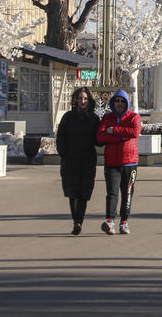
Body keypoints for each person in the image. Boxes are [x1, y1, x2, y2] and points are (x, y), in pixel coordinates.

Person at [55, 87, 101, 235]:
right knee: (72, 192)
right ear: (75, 100)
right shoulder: (68, 117)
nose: (82, 101)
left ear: (89, 101)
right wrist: (64, 154)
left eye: (85, 98)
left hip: (87, 161)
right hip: (70, 161)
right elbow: (60, 137)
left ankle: (78, 222)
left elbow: (98, 141)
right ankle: (76, 221)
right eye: (80, 98)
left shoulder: (94, 119)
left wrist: (106, 132)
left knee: (84, 193)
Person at [96, 89, 141, 235]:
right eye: (117, 101)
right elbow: (100, 137)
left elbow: (134, 133)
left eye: (122, 101)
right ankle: (110, 221)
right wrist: (121, 137)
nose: (119, 104)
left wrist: (113, 131)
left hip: (130, 162)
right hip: (111, 163)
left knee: (127, 193)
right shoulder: (107, 118)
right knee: (112, 193)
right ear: (113, 102)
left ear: (127, 103)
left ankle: (124, 222)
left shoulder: (134, 117)